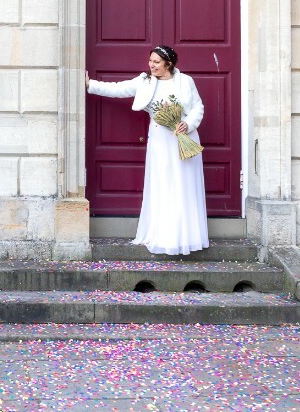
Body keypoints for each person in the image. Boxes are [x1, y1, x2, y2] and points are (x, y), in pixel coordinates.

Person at [85, 45, 208, 256]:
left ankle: (187, 237)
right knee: (163, 185)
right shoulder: (145, 81)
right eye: (150, 61)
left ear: (168, 64)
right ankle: (163, 235)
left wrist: (188, 123)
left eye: (157, 62)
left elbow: (198, 107)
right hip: (161, 141)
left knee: (183, 185)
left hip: (184, 139)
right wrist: (90, 84)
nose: (152, 65)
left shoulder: (186, 81)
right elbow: (118, 88)